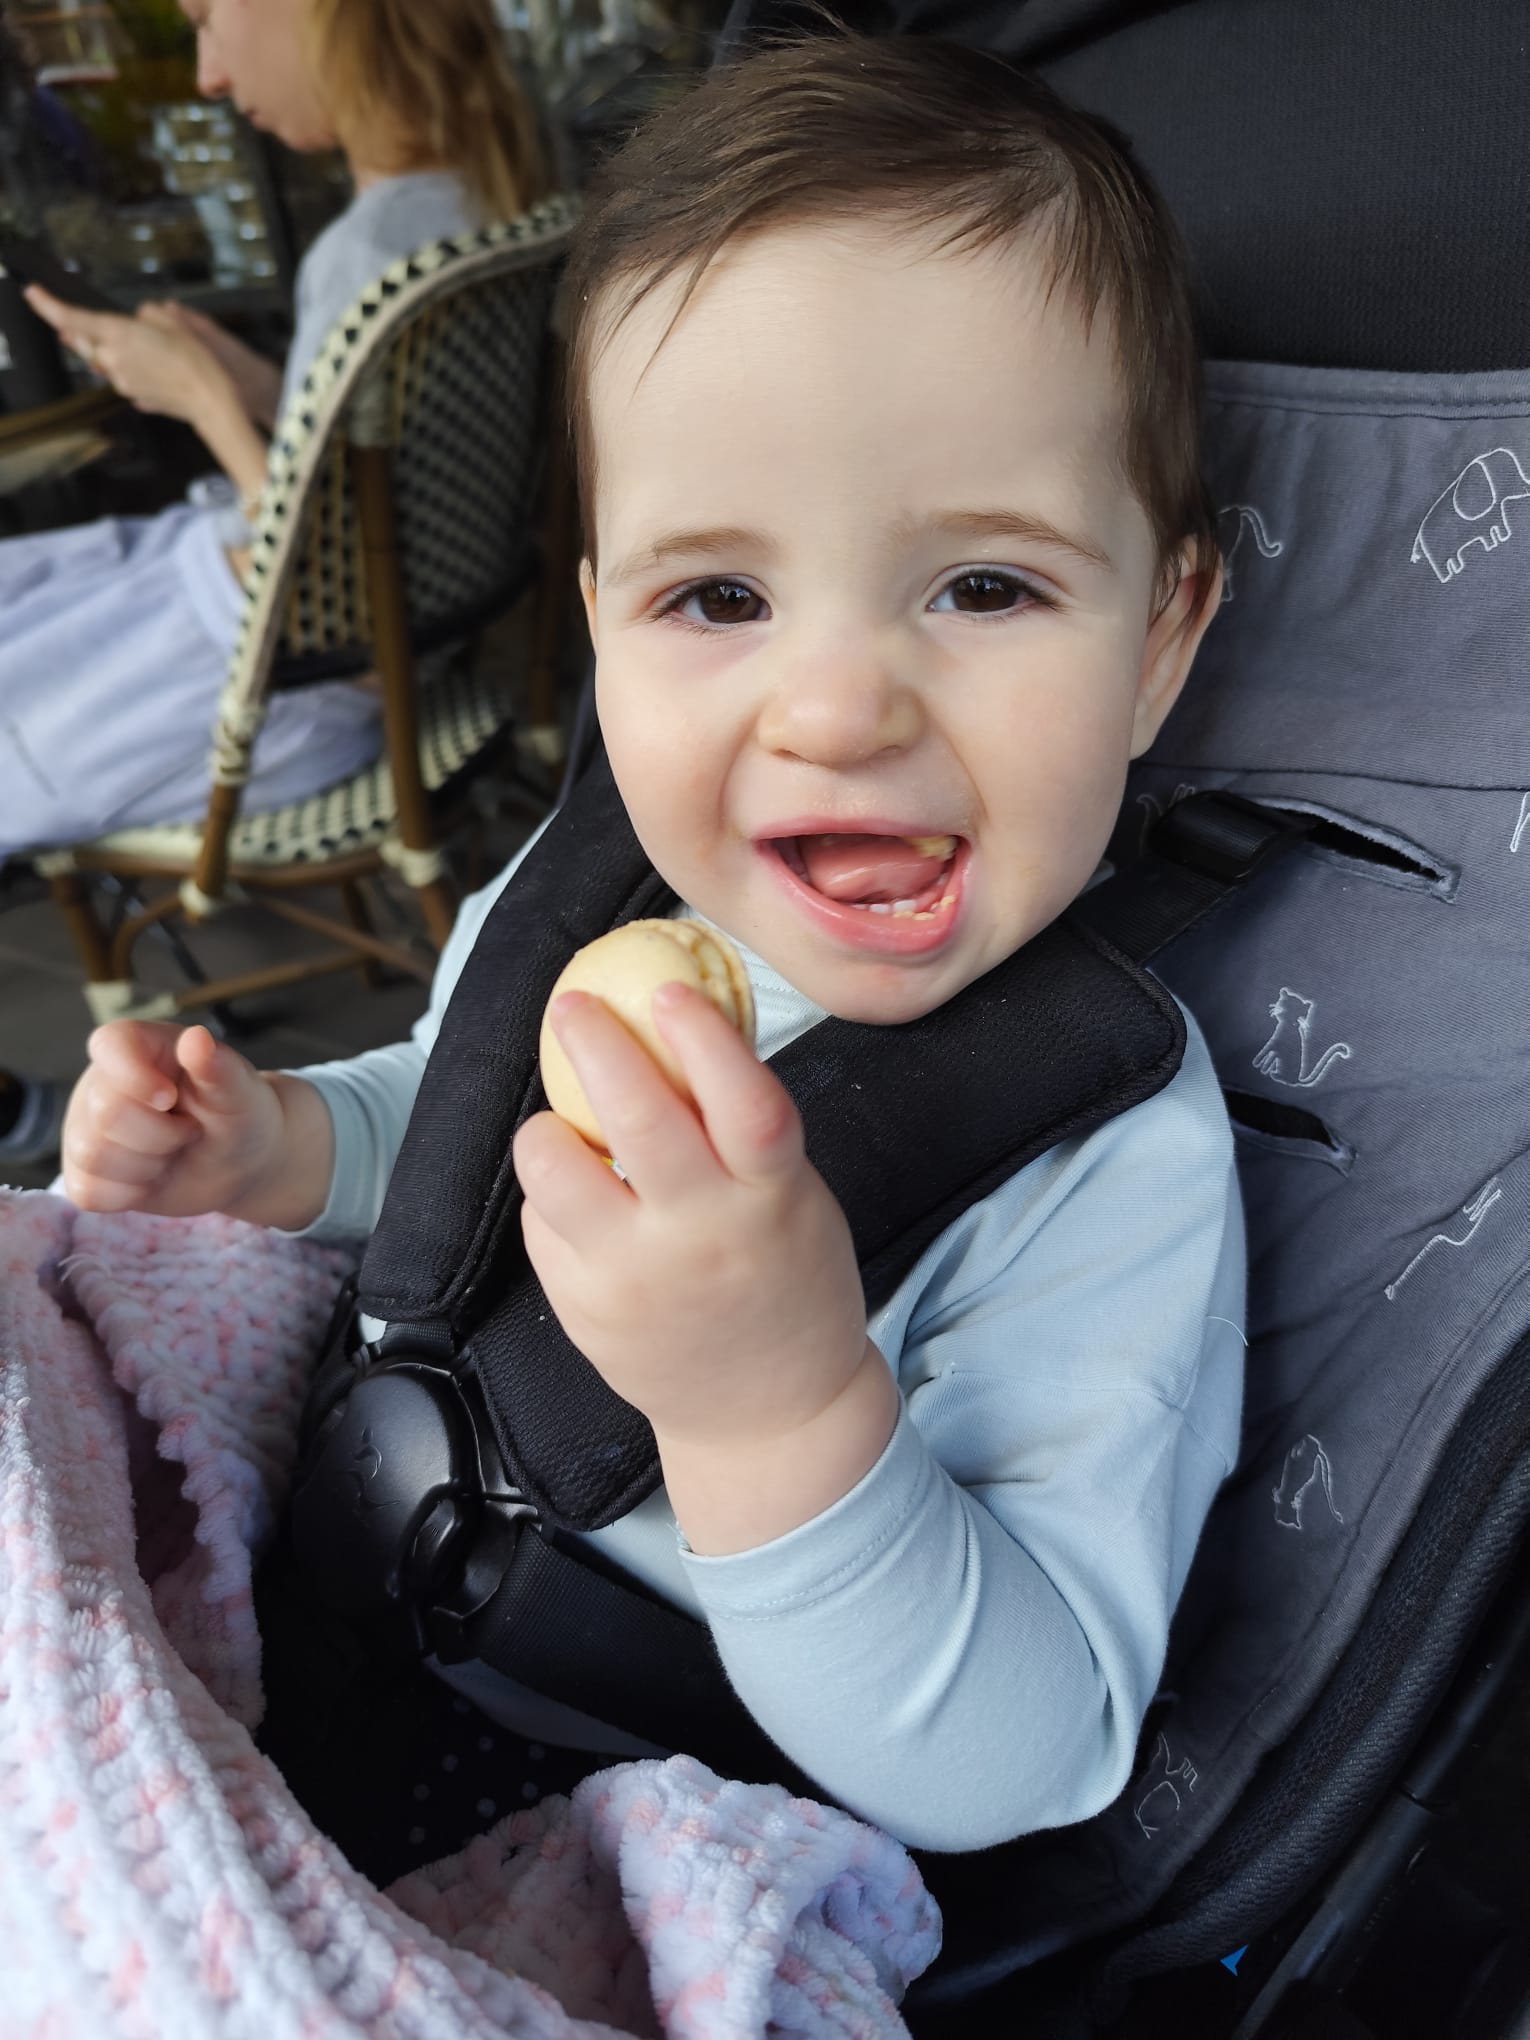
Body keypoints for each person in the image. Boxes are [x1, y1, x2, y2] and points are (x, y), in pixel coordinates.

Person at [59, 34, 1239, 1856]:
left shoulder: (1103, 1163)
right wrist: (282, 1141)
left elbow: (1038, 1751)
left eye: (985, 586)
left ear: (1160, 640)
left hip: (605, 1816)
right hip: (301, 1611)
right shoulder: (615, 894)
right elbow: (455, 1133)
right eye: (720, 598)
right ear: (608, 625)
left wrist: (782, 1407)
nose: (836, 708)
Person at [0, 0, 545, 1165]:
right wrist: (260, 385)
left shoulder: (370, 250)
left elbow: (314, 596)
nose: (202, 73)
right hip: (388, 656)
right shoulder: (471, 204)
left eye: (209, 20)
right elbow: (376, 488)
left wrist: (201, 399)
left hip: (298, 678)